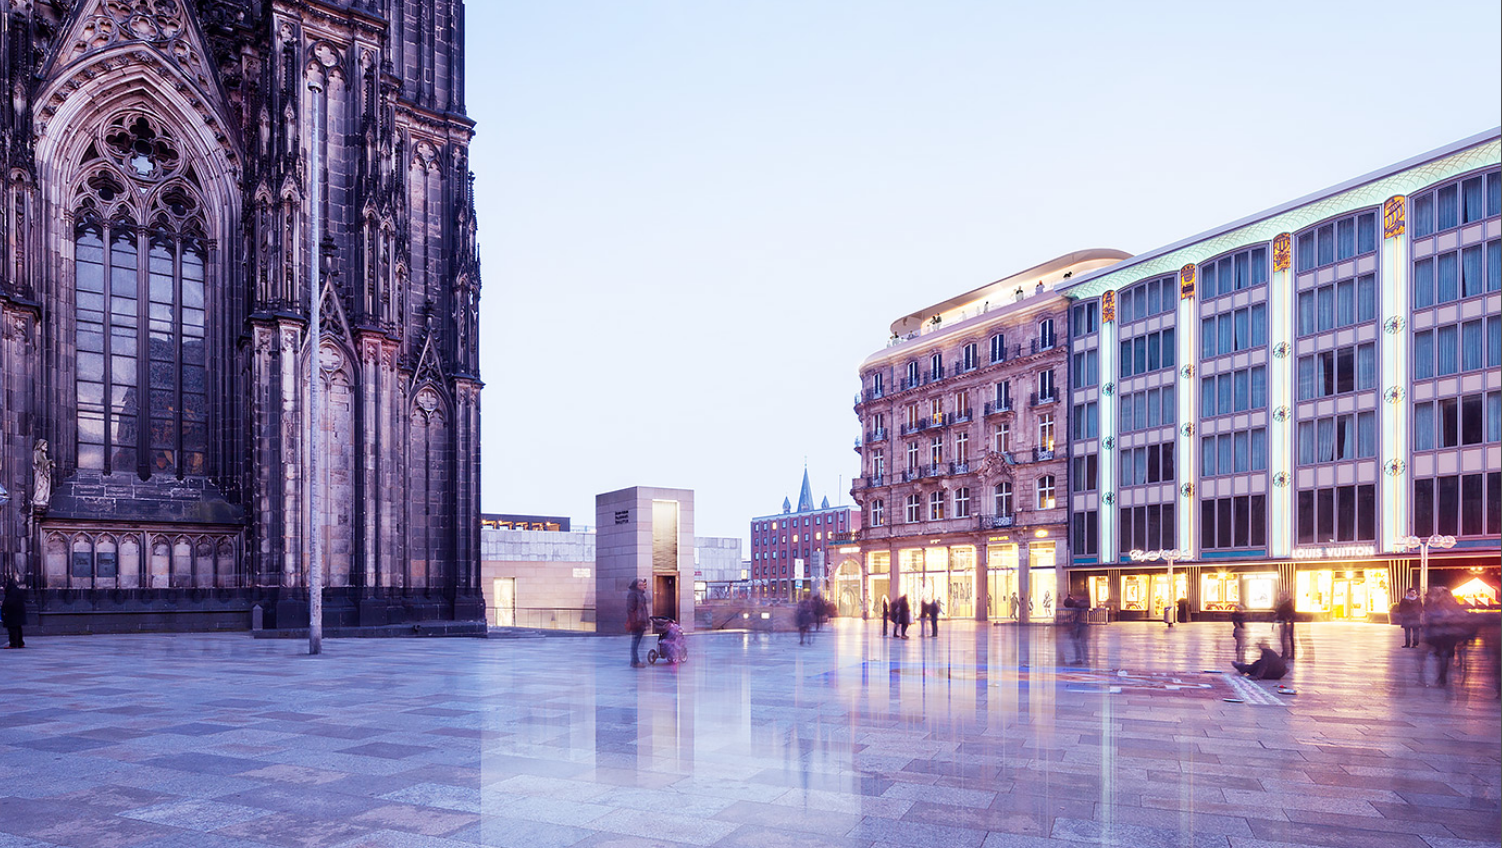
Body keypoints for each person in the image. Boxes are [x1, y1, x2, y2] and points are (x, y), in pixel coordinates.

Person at [626, 579, 648, 668]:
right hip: (637, 622)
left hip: (642, 621)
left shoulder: (641, 595)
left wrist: (647, 621)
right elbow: (630, 609)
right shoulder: (633, 595)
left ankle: (635, 660)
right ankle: (635, 661)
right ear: (636, 586)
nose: (642, 586)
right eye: (640, 585)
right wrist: (634, 622)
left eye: (643, 585)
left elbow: (644, 610)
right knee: (635, 642)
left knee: (637, 642)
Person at [2, 578, 25, 649]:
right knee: (18, 628)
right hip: (19, 613)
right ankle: (20, 643)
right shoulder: (16, 590)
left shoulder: (11, 592)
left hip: (12, 614)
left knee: (12, 629)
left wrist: (3, 607)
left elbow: (9, 603)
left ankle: (13, 644)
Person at [1275, 591, 1296, 660]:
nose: (1280, 597)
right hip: (1286, 622)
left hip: (1286, 623)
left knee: (1285, 639)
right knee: (1287, 639)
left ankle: (1287, 654)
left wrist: (1282, 617)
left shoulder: (1286, 604)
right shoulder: (1285, 604)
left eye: (1282, 595)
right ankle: (1288, 654)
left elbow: (1288, 613)